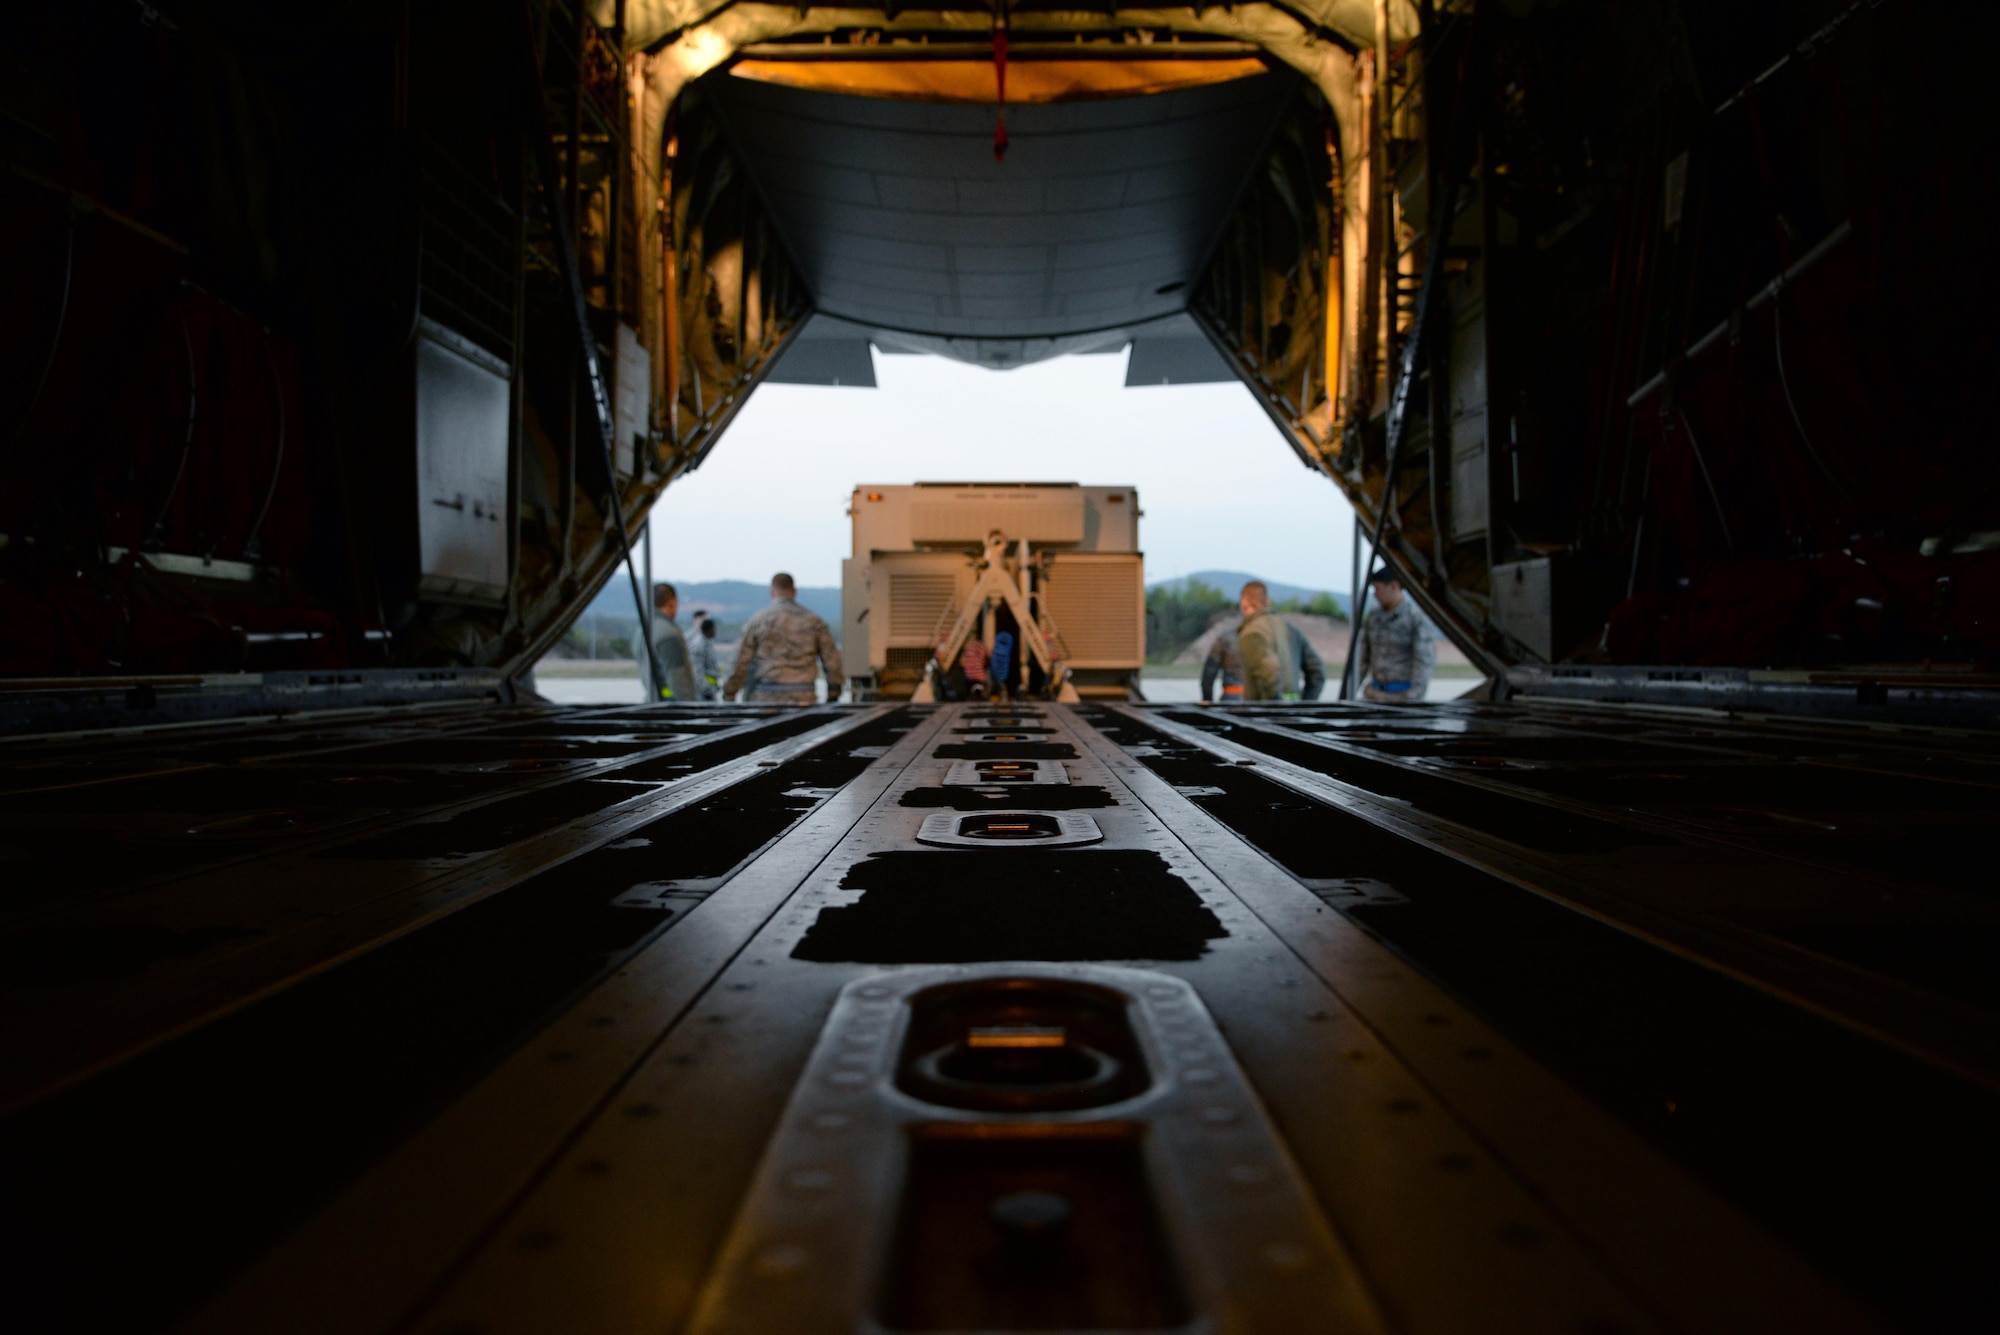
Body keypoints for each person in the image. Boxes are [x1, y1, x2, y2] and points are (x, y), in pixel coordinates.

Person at [723, 572, 844, 704]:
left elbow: (740, 660)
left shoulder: (758, 620)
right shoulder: (814, 622)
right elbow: (832, 661)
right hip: (804, 698)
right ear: (794, 592)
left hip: (767, 698)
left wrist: (729, 693)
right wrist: (834, 693)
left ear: (772, 592)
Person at [1354, 568, 1435, 703]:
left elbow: (1423, 664)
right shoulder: (1374, 617)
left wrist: (1413, 699)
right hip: (1373, 696)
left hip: (1402, 699)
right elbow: (1362, 659)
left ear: (1394, 586)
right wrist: (1349, 690)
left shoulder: (1416, 619)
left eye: (1378, 588)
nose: (1375, 594)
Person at [1235, 581, 1326, 701]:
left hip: (1263, 716)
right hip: (1293, 714)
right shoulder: (1291, 630)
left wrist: (1274, 711)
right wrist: (1305, 705)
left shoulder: (1251, 634)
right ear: (1266, 601)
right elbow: (1317, 671)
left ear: (1244, 602)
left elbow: (1270, 672)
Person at [637, 582, 697, 702]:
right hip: (670, 707)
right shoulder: (668, 633)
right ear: (672, 602)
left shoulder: (641, 630)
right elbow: (679, 679)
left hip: (651, 701)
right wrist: (689, 709)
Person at [1200, 628, 1245, 703]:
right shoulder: (1263, 638)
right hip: (1256, 701)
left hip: (1231, 698)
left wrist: (1207, 703)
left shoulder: (1225, 639)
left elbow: (1208, 676)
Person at [690, 610, 721, 701]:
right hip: (704, 694)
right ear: (709, 630)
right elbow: (697, 670)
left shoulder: (707, 643)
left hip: (710, 691)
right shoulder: (699, 645)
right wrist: (706, 690)